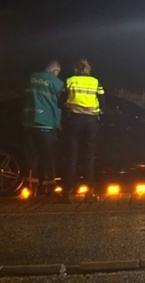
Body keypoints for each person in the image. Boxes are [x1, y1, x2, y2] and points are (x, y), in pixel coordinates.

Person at [61, 58, 104, 203]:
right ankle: (89, 194)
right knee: (88, 157)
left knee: (71, 156)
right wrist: (99, 112)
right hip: (91, 121)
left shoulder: (70, 80)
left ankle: (67, 193)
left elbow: (61, 100)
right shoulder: (95, 82)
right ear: (88, 68)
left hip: (74, 120)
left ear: (75, 69)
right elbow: (103, 101)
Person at [21, 61, 64, 196]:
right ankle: (49, 188)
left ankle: (32, 188)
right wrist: (58, 124)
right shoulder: (56, 82)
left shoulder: (32, 77)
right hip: (46, 123)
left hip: (29, 121)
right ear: (55, 71)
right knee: (49, 156)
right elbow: (59, 105)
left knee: (32, 157)